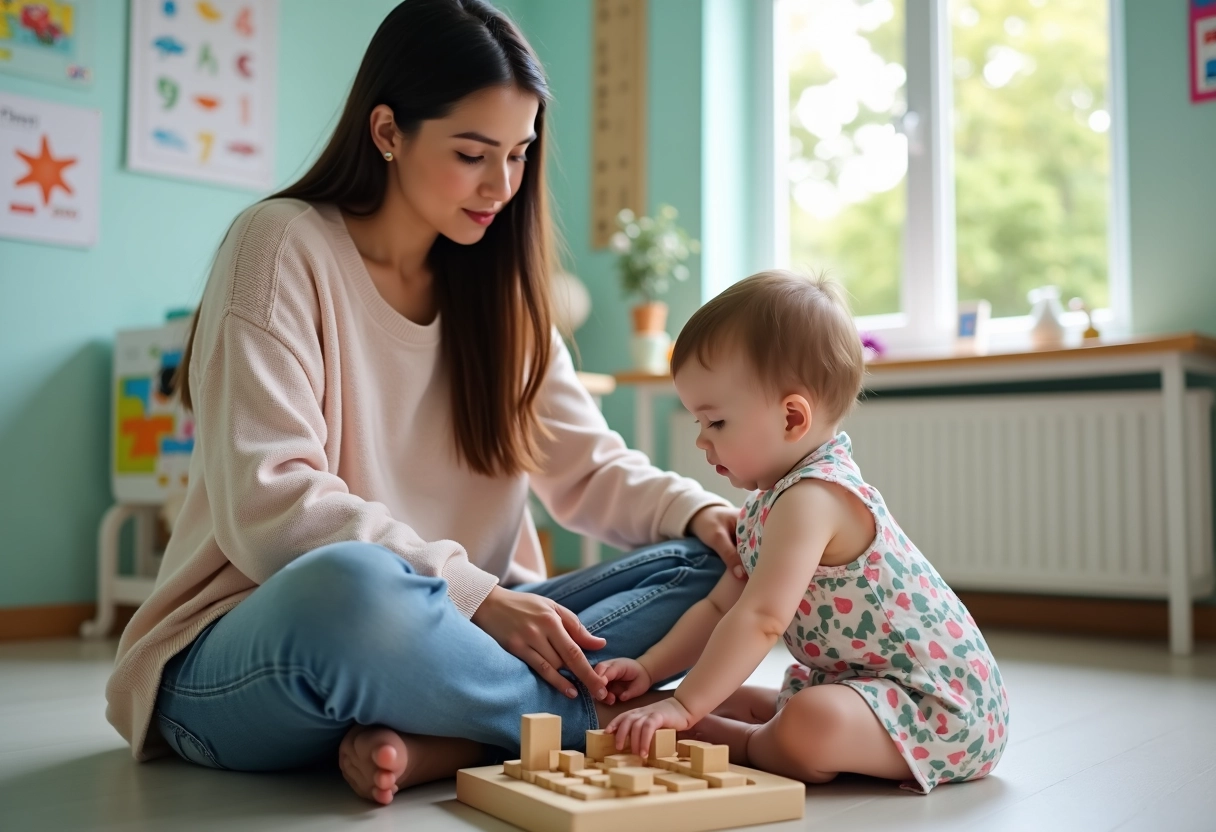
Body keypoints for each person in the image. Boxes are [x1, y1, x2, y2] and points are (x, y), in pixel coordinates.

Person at [104, 0, 742, 805]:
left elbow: (589, 467)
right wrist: (476, 599)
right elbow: (273, 505)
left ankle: (445, 733)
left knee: (716, 566)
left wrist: (705, 515)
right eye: (473, 154)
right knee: (357, 589)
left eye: (517, 155)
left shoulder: (502, 295)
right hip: (258, 650)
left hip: (461, 634)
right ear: (387, 132)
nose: (501, 185)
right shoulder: (279, 245)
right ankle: (603, 723)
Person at [596, 271, 1010, 793]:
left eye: (715, 422)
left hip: (942, 710)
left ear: (792, 417)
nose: (702, 440)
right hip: (860, 685)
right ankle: (746, 721)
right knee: (735, 694)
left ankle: (746, 742)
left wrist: (684, 705)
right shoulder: (766, 504)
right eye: (698, 423)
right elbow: (721, 608)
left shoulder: (814, 499)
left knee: (809, 721)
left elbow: (762, 619)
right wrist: (650, 666)